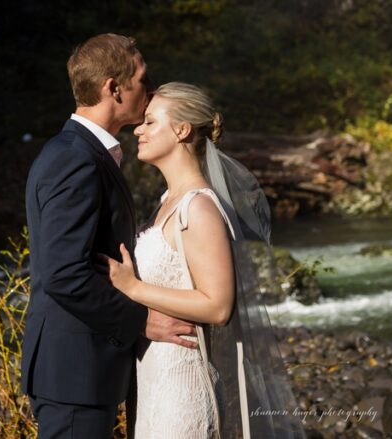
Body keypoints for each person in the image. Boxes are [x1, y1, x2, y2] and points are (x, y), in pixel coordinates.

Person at [20, 34, 198, 438]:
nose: (150, 89)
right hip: (73, 372)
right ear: (113, 88)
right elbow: (63, 273)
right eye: (143, 79)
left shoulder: (79, 152)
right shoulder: (74, 159)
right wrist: (141, 321)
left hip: (81, 371)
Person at [104, 82, 304, 438]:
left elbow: (218, 306)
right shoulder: (167, 201)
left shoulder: (198, 207)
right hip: (151, 385)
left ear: (181, 130)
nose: (138, 130)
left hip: (181, 393)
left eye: (150, 122)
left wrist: (133, 288)